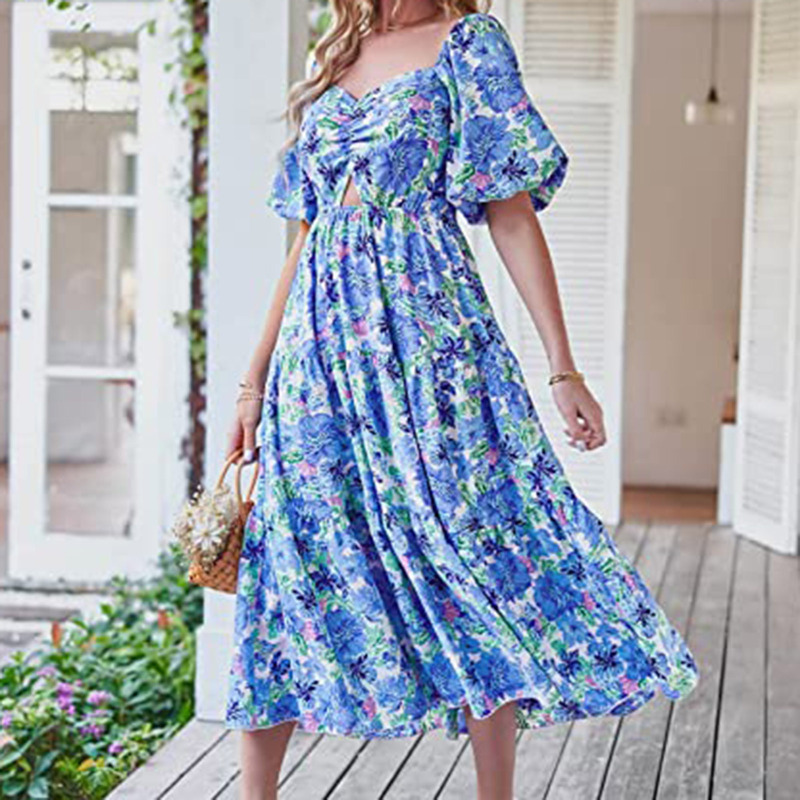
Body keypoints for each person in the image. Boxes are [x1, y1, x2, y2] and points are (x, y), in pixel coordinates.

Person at [223, 2, 699, 798]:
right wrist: (254, 378)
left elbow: (510, 216)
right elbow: (305, 235)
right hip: (319, 355)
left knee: (475, 550)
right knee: (291, 553)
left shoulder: (469, 44)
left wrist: (563, 368)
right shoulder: (334, 52)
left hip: (430, 347)